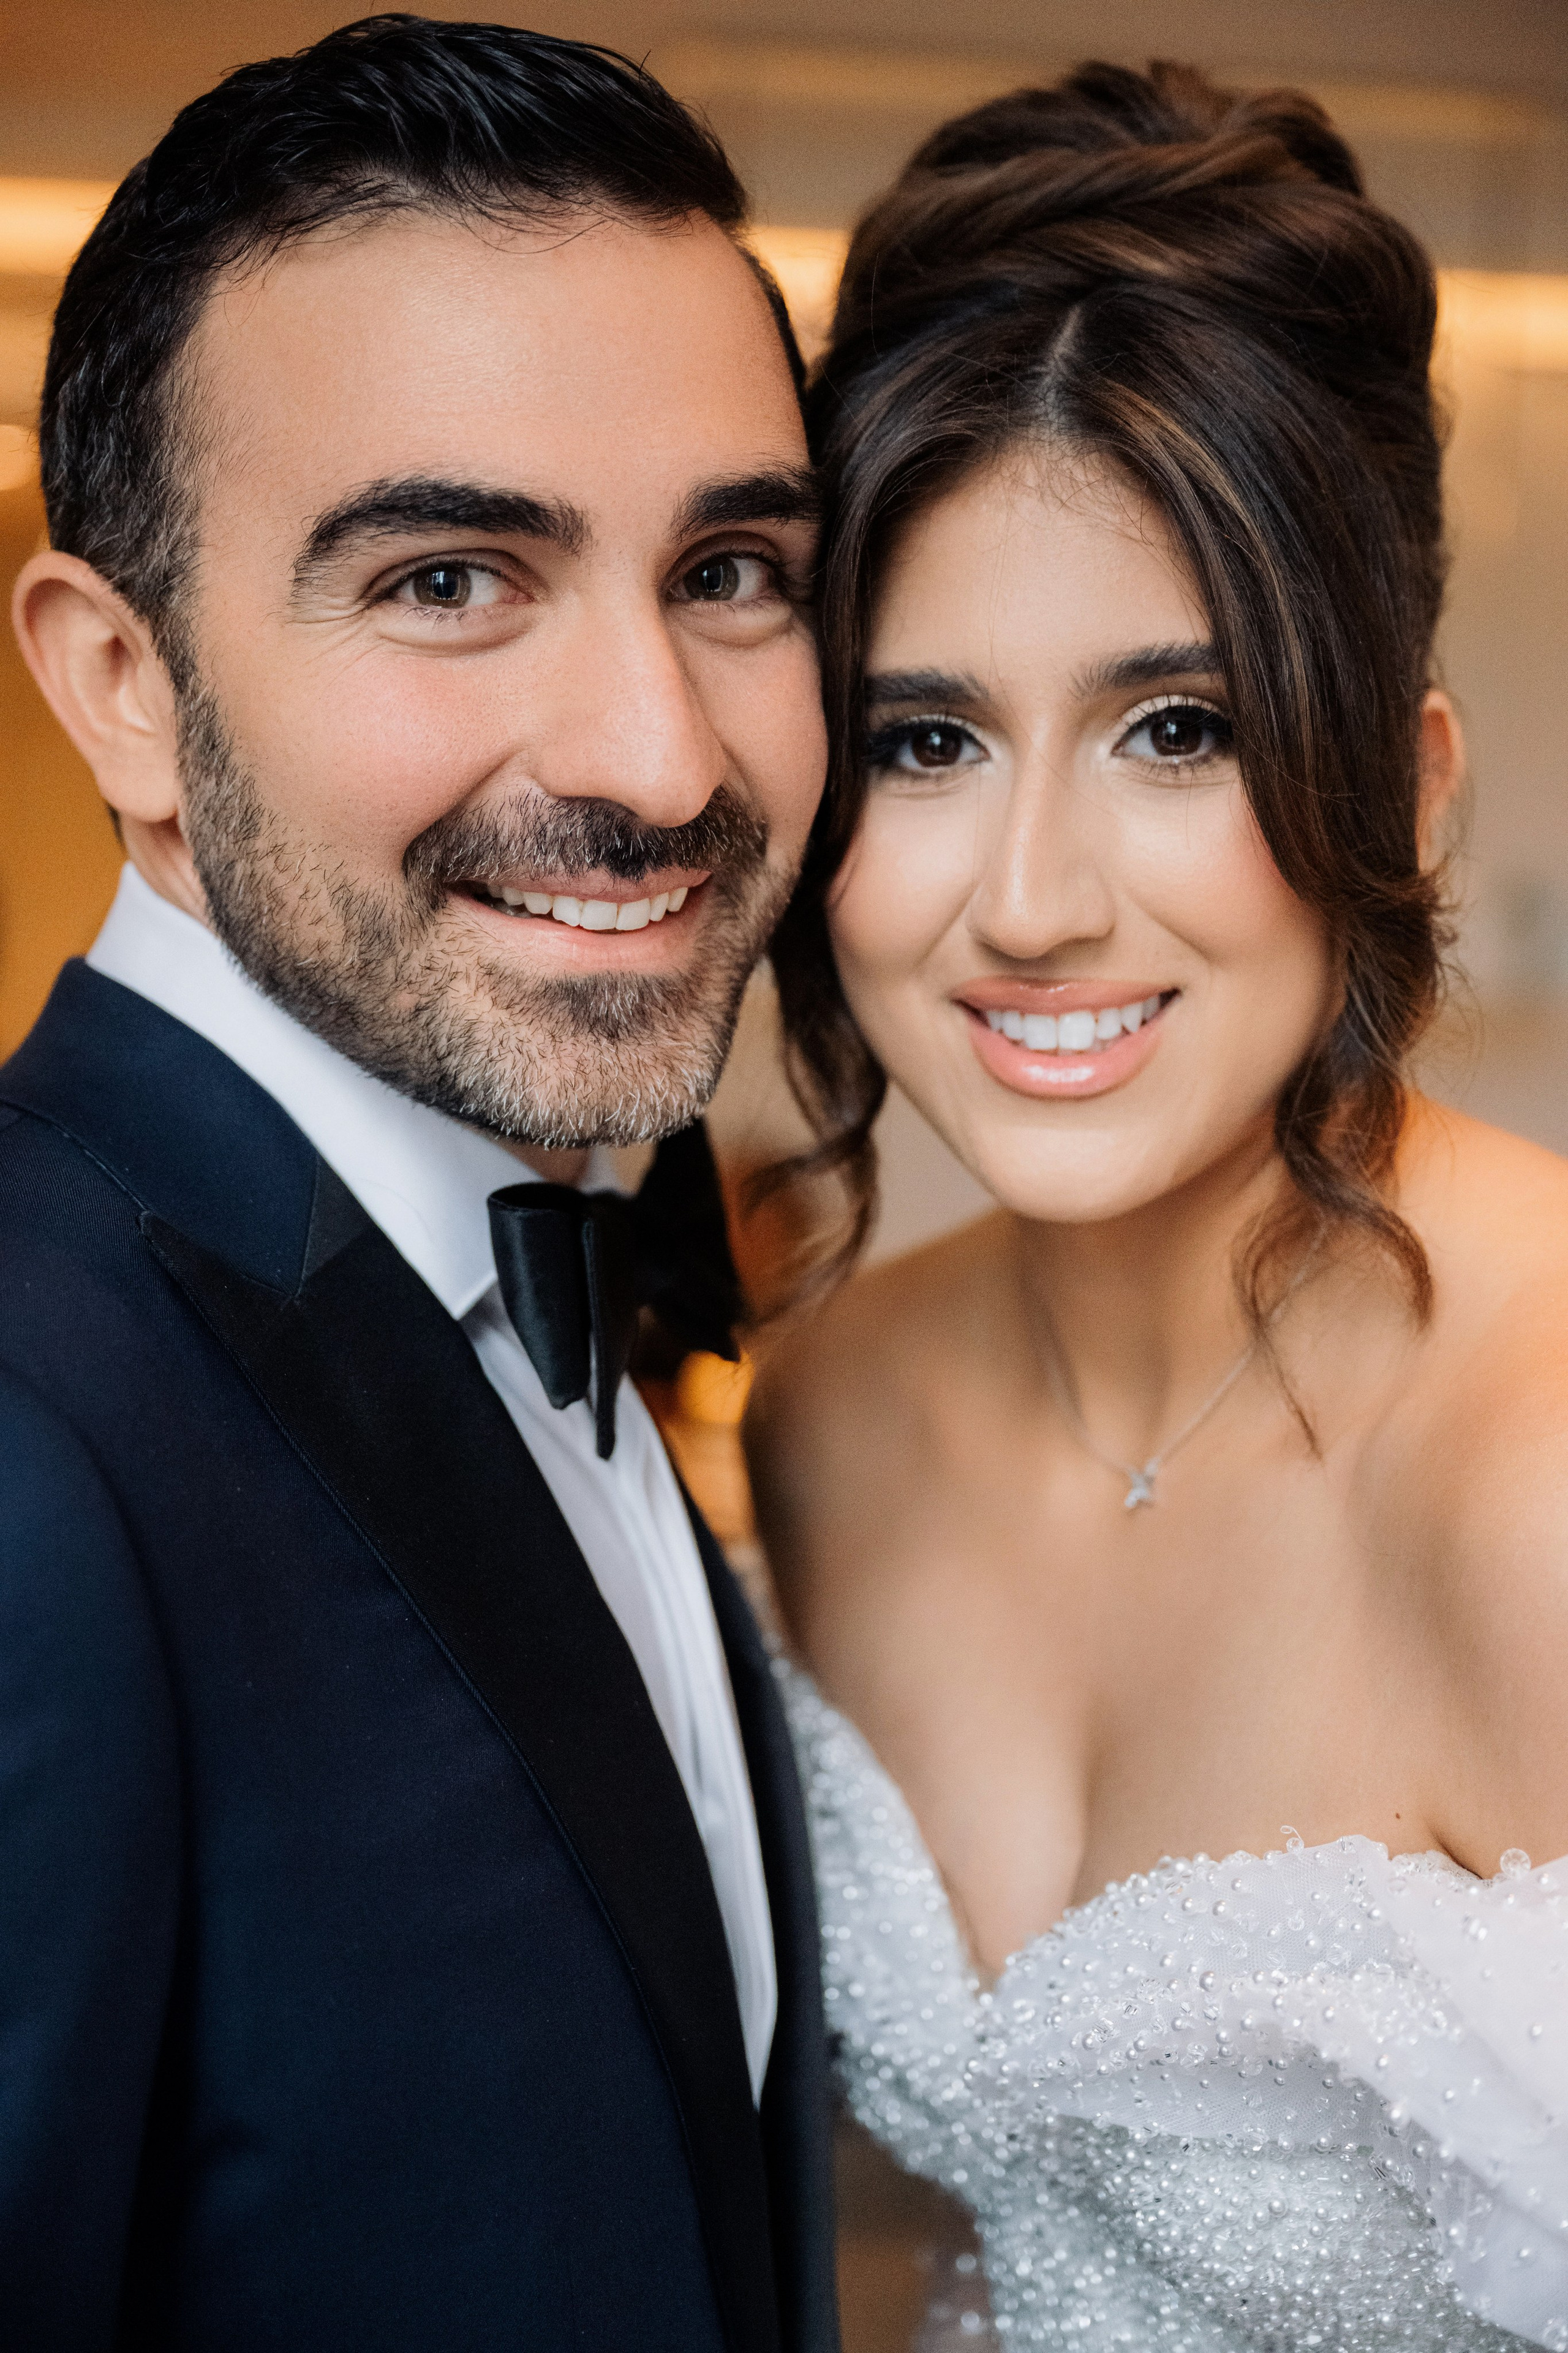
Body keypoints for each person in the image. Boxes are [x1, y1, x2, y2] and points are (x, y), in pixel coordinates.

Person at [1, 17, 840, 2349]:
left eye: (736, 569)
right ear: (121, 687)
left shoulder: (517, 1243)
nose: (659, 758)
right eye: (454, 578)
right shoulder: (29, 1435)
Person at [747, 61, 1568, 2353]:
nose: (1028, 901)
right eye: (923, 740)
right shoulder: (826, 1414)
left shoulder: (1543, 1481)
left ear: (1400, 781)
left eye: (1173, 727)